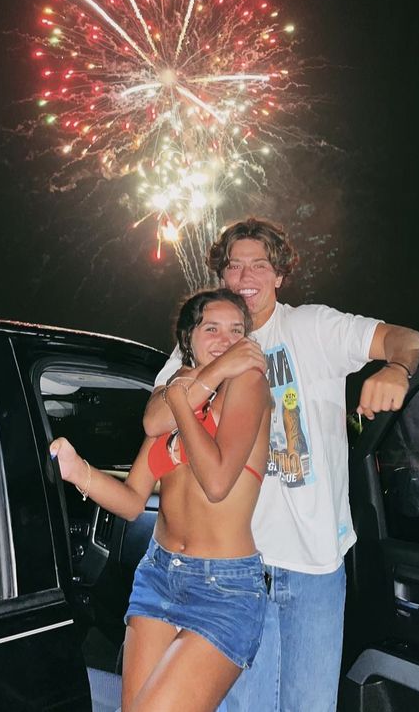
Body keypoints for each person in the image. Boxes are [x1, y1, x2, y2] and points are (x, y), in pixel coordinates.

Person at [144, 218, 419, 712]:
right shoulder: (206, 340)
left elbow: (407, 338)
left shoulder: (312, 327)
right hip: (234, 574)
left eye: (259, 264)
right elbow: (155, 420)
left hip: (314, 568)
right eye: (234, 265)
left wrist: (396, 369)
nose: (245, 275)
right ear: (221, 276)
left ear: (279, 276)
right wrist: (223, 364)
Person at [51, 288, 271, 712]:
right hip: (158, 574)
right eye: (212, 328)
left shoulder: (248, 383)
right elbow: (134, 500)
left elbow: (218, 482)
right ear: (188, 337)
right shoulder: (176, 391)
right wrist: (80, 473)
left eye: (236, 331)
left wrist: (179, 402)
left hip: (222, 588)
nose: (225, 340)